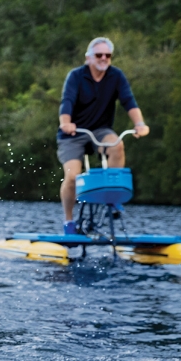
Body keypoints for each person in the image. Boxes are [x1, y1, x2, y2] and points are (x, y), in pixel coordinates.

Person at [57, 37, 151, 234]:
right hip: (74, 133)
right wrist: (65, 123)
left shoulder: (116, 76)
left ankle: (113, 200)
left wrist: (139, 124)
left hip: (100, 130)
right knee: (72, 177)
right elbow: (67, 101)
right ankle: (68, 221)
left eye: (108, 55)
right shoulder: (76, 76)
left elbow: (129, 101)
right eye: (99, 55)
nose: (103, 58)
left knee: (117, 145)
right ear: (88, 58)